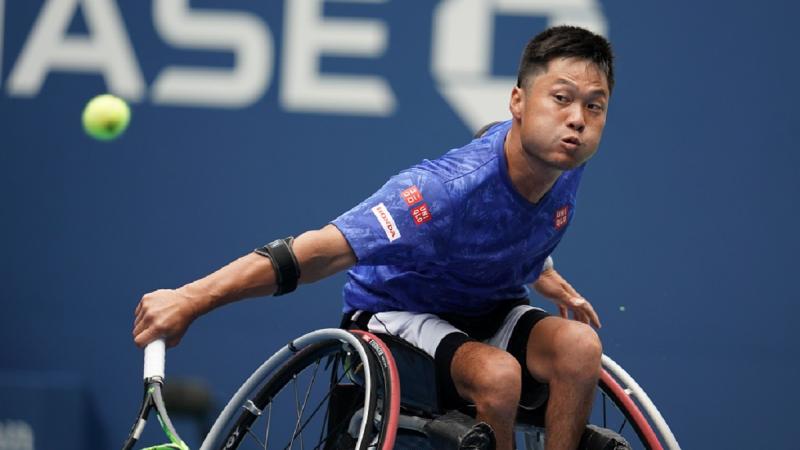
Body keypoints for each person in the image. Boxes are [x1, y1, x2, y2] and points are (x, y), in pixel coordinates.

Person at [133, 25, 614, 450]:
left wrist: (537, 268)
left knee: (580, 348)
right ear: (518, 102)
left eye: (594, 106)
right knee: (499, 376)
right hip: (399, 311)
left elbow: (506, 217)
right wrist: (190, 298)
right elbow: (314, 254)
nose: (578, 119)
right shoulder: (439, 192)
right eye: (561, 98)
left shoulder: (567, 161)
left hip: (488, 305)